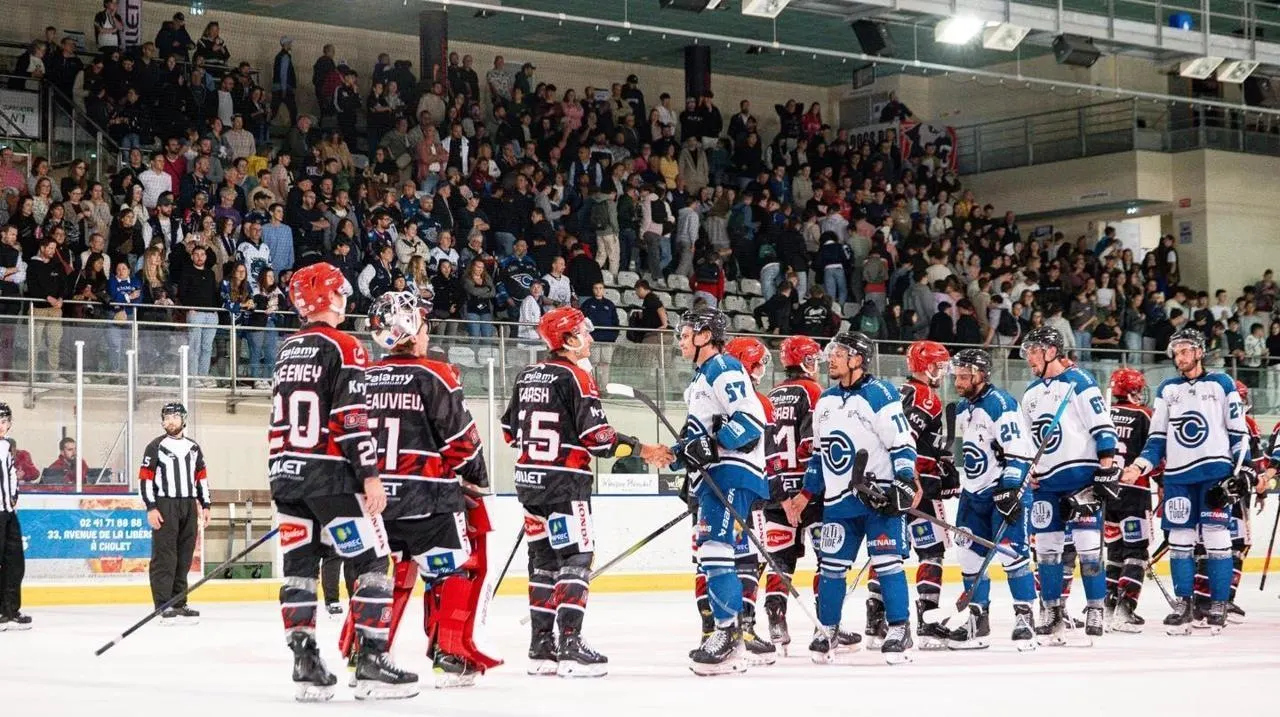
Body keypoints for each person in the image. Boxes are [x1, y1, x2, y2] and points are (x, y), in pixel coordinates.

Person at [270, 262, 418, 702]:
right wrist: (370, 475)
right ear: (329, 297)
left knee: (299, 569)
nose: (344, 298)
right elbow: (351, 419)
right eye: (339, 292)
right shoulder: (345, 346)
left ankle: (305, 663)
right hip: (332, 477)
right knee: (372, 561)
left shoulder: (286, 349)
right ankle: (372, 661)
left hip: (287, 475)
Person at [341, 292, 500, 687]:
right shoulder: (436, 374)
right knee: (454, 572)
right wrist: (476, 479)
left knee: (381, 576)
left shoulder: (362, 378)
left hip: (374, 500)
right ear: (410, 329)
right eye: (424, 325)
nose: (428, 333)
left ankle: (364, 653)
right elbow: (462, 441)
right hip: (428, 500)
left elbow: (346, 436)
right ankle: (451, 656)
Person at [502, 307, 670, 677]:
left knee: (542, 563)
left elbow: (509, 433)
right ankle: (570, 645)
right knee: (576, 557)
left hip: (529, 482)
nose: (590, 338)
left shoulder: (526, 375)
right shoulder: (577, 377)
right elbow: (599, 440)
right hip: (565, 484)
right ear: (568, 339)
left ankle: (541, 647)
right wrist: (643, 449)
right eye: (584, 332)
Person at [780, 331, 917, 665]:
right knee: (831, 567)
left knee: (887, 563)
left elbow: (902, 444)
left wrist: (903, 482)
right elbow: (819, 456)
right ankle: (827, 628)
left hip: (878, 499)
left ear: (857, 359)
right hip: (838, 503)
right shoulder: (825, 401)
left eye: (839, 354)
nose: (832, 359)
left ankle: (899, 627)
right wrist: (805, 494)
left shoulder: (880, 394)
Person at [661, 308, 769, 675]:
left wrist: (711, 444)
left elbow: (751, 421)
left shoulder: (722, 367)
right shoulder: (701, 378)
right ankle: (728, 633)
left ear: (706, 336)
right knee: (711, 552)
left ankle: (729, 635)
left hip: (731, 473)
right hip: (715, 475)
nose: (681, 340)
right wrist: (675, 455)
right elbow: (701, 439)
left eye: (686, 334)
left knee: (715, 550)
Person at [1122, 328, 1250, 634]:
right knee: (1180, 542)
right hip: (1178, 478)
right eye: (1176, 352)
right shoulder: (1167, 389)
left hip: (1214, 474)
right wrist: (1138, 467)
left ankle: (1218, 603)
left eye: (1185, 351)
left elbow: (1238, 432)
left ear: (1199, 352)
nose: (1180, 357)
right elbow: (1156, 439)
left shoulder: (1221, 383)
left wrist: (1242, 470)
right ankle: (1184, 603)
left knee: (1217, 539)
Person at [760, 336, 860, 655]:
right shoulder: (815, 392)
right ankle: (826, 625)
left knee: (780, 559)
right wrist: (806, 490)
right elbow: (811, 446)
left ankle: (776, 621)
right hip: (811, 492)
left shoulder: (772, 394)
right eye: (814, 359)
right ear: (806, 361)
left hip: (777, 492)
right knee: (827, 559)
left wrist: (782, 491)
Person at [1021, 326, 1118, 645]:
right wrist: (1028, 469)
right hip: (1045, 484)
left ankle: (1095, 609)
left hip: (1081, 480)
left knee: (1089, 548)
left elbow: (1103, 427)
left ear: (1051, 351)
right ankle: (1052, 611)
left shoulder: (1080, 381)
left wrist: (1106, 469)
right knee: (1046, 551)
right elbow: (1026, 441)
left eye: (1034, 351)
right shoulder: (1031, 393)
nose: (1029, 358)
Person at [945, 349, 1039, 651]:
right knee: (968, 556)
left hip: (1003, 494)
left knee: (1013, 555)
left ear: (981, 375)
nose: (958, 381)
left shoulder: (1001, 403)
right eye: (957, 376)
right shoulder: (963, 408)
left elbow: (1019, 452)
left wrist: (1010, 488)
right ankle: (978, 621)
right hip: (973, 494)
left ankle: (1025, 619)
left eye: (964, 376)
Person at [868, 340, 959, 649]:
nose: (942, 373)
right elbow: (906, 440)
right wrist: (917, 479)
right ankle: (928, 622)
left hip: (893, 485)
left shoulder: (899, 391)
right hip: (919, 489)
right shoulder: (926, 397)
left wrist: (942, 460)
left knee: (886, 551)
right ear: (926, 367)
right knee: (932, 551)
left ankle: (874, 620)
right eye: (939, 366)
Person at [721, 336, 777, 666]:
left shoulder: (718, 395)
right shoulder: (757, 403)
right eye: (756, 364)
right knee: (738, 561)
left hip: (730, 491)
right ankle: (736, 628)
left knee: (734, 560)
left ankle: (733, 628)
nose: (760, 371)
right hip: (745, 492)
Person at [138, 403, 210, 625]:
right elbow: (145, 479)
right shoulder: (155, 447)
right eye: (166, 417)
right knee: (165, 556)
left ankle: (179, 603)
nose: (170, 421)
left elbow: (201, 478)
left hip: (188, 505)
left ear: (183, 420)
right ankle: (162, 605)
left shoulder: (193, 448)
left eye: (174, 417)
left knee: (184, 556)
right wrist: (151, 507)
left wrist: (206, 505)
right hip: (165, 504)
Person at [1102, 368, 1157, 632]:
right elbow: (1156, 453)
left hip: (1106, 492)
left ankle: (1107, 607)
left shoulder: (1102, 414)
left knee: (1114, 551)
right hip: (1135, 493)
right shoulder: (1144, 415)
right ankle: (1125, 609)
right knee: (1136, 552)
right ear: (1134, 390)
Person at [0, 403, 31, 630]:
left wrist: (13, 497)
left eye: (4, 421)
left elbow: (11, 474)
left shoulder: (6, 446)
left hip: (8, 513)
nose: (1, 426)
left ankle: (10, 610)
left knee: (15, 562)